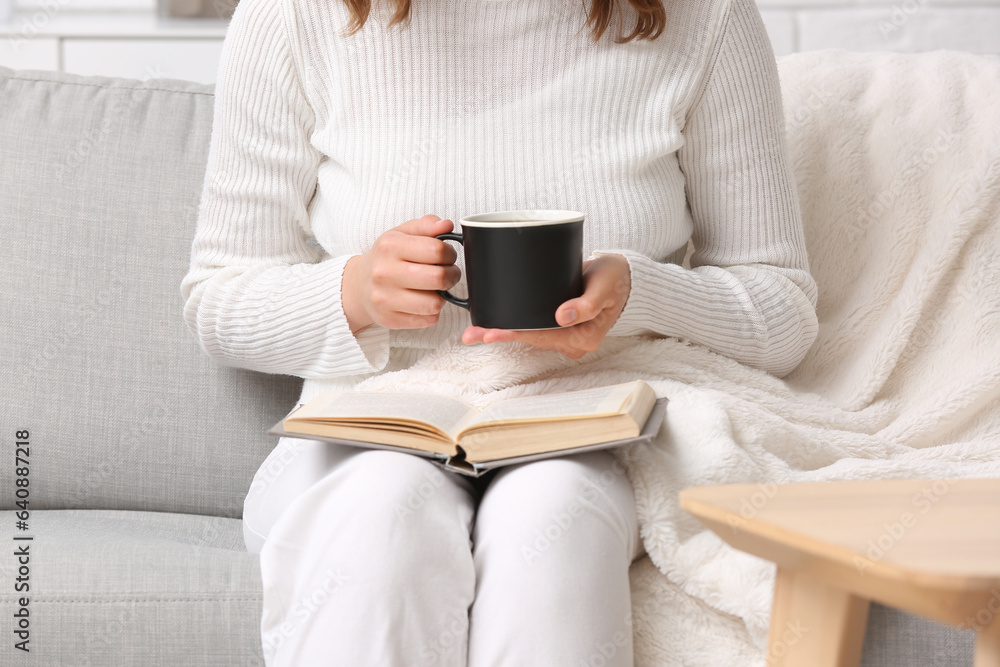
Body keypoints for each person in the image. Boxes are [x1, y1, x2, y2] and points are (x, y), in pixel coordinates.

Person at [180, 0, 818, 661]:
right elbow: (219, 299)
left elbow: (781, 311)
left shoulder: (706, 17)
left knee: (551, 512)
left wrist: (638, 293)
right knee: (379, 512)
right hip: (368, 428)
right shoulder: (293, 15)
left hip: (593, 429)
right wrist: (358, 291)